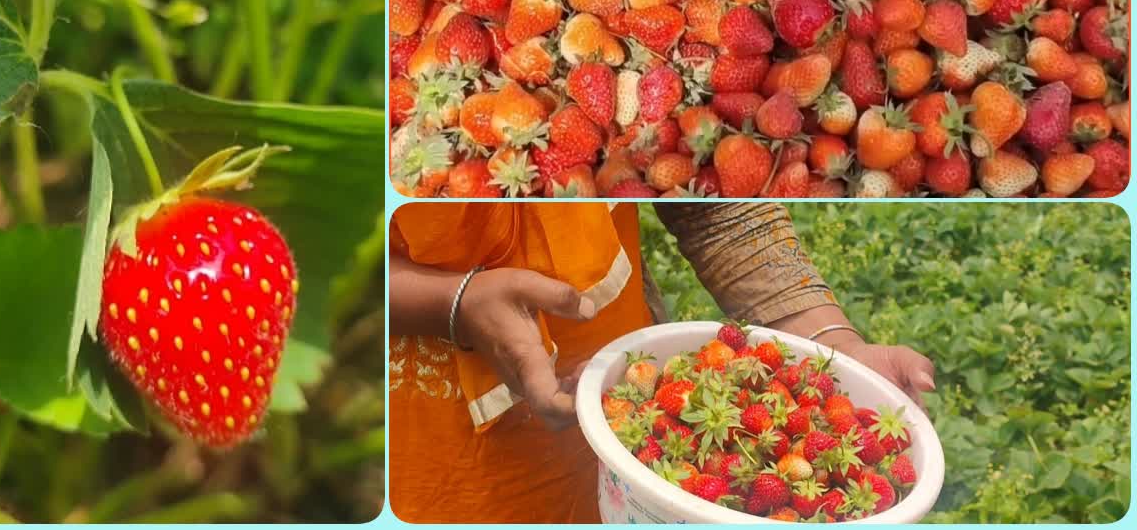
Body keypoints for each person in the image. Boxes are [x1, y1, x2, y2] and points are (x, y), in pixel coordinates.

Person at [389, 203, 935, 523]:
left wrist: (831, 344)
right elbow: (329, 245)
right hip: (432, 453)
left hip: (629, 401)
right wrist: (453, 303)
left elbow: (715, 207)